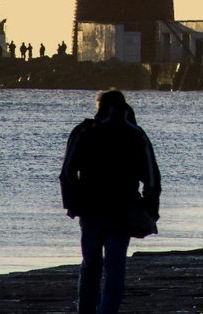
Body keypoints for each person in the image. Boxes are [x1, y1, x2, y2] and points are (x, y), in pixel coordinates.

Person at [60, 90, 161, 314]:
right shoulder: (136, 134)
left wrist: (72, 203)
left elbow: (67, 172)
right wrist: (150, 211)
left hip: (91, 208)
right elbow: (152, 178)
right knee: (115, 267)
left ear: (99, 106)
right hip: (124, 209)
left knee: (91, 265)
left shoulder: (86, 130)